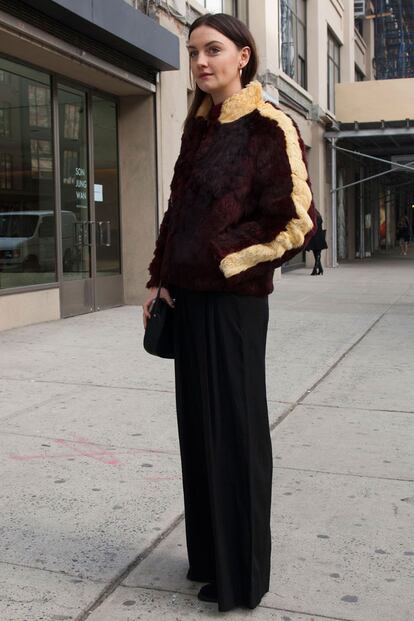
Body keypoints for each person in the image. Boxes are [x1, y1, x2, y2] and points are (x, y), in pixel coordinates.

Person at [143, 13, 317, 613]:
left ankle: (242, 576)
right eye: (193, 53)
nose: (200, 63)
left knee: (236, 438)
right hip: (188, 303)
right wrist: (162, 277)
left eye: (213, 50)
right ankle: (210, 559)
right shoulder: (199, 127)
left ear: (244, 55)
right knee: (199, 435)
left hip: (234, 306)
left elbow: (297, 223)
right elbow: (177, 212)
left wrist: (220, 258)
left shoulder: (270, 126)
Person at [305, 209, 327, 275]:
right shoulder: (319, 216)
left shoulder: (313, 217)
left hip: (315, 236)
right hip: (320, 236)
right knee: (317, 253)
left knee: (316, 253)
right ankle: (320, 269)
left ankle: (315, 268)